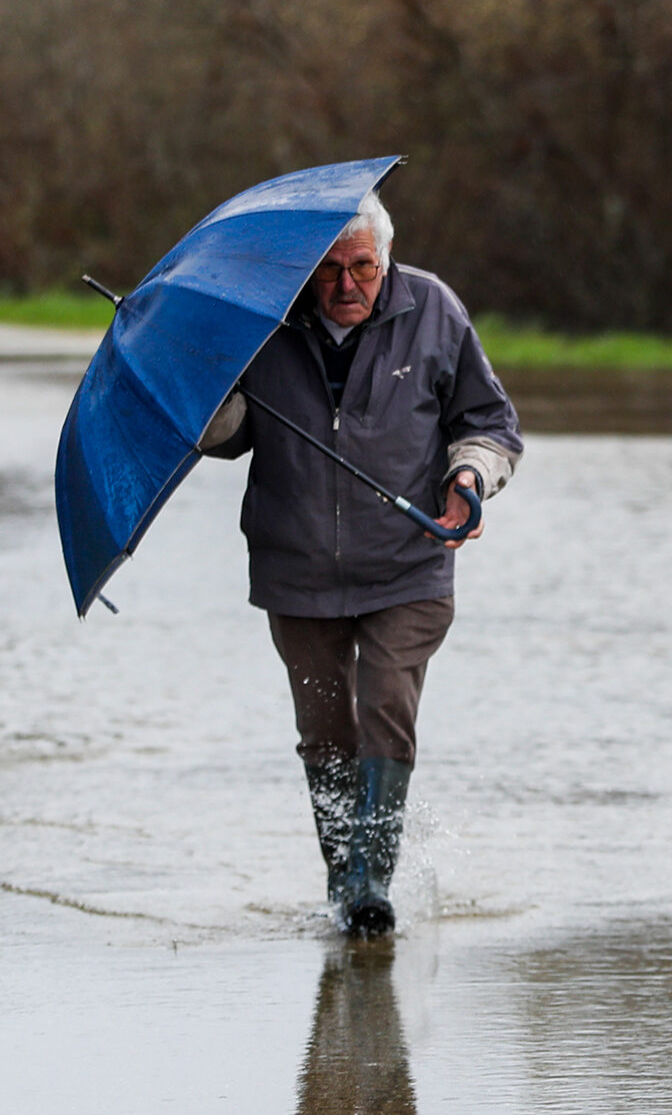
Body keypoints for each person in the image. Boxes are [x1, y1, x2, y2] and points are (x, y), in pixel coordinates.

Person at [198, 190, 522, 936]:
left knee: (385, 710)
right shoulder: (265, 325)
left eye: (364, 268)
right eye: (331, 271)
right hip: (296, 569)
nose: (348, 286)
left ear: (386, 258)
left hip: (407, 564)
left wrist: (469, 478)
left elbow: (490, 424)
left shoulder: (435, 311)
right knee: (324, 733)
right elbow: (229, 434)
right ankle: (343, 881)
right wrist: (207, 389)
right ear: (310, 272)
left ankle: (372, 882)